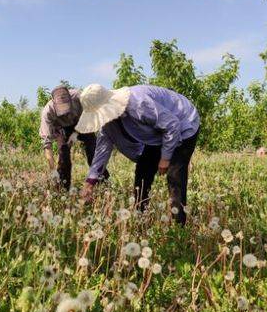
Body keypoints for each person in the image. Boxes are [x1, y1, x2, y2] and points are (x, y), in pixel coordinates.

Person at [76, 84, 200, 225]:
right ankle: (140, 219)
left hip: (183, 122)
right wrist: (90, 183)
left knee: (174, 175)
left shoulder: (138, 103)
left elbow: (172, 125)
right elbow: (101, 153)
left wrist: (165, 158)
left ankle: (179, 227)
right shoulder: (108, 126)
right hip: (158, 133)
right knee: (143, 172)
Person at [40, 85, 108, 190]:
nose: (65, 115)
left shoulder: (79, 97)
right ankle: (63, 187)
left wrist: (75, 133)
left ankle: (103, 182)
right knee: (63, 156)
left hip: (82, 122)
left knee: (92, 152)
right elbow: (47, 145)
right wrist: (52, 170)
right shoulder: (47, 112)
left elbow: (90, 115)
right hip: (62, 128)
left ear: (71, 100)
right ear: (54, 103)